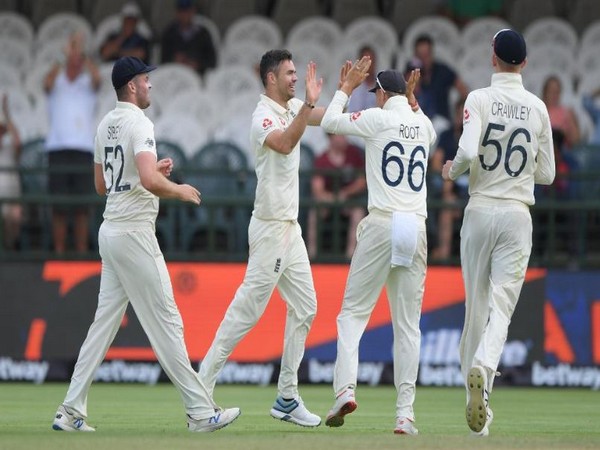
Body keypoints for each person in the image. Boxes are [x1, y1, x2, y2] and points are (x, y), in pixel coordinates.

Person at [51, 56, 240, 433]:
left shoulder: (105, 124)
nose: (150, 85)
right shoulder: (140, 123)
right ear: (132, 86)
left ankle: (70, 411)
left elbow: (102, 186)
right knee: (167, 321)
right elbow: (150, 182)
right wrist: (178, 189)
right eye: (145, 79)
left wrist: (150, 173)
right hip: (135, 233)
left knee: (102, 326)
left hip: (111, 232)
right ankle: (200, 413)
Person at [198, 49, 335, 428]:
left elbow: (330, 119)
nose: (295, 77)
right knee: (247, 311)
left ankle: (287, 397)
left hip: (291, 229)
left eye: (296, 73)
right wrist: (307, 104)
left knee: (306, 306)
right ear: (271, 78)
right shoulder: (263, 115)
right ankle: (200, 387)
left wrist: (350, 92)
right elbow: (287, 143)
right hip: (270, 228)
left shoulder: (294, 107)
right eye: (289, 73)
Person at [441, 29, 555, 436]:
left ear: (494, 59)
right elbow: (547, 173)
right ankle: (484, 369)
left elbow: (468, 152)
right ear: (523, 64)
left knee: (476, 309)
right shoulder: (538, 107)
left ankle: (479, 419)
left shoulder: (478, 98)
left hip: (480, 209)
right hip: (516, 213)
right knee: (502, 307)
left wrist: (451, 170)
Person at [321, 59, 436, 435]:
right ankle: (405, 415)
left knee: (352, 315)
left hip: (382, 221)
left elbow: (331, 122)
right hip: (415, 226)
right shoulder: (423, 124)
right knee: (407, 328)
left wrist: (346, 87)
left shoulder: (377, 116)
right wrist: (413, 101)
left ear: (383, 94)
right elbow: (429, 132)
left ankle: (344, 390)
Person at [44, 31, 100, 254]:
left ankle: (80, 253)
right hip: (58, 149)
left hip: (83, 149)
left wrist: (82, 54)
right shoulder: (56, 82)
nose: (75, 62)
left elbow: (97, 79)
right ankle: (59, 252)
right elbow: (46, 84)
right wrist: (64, 56)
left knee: (81, 208)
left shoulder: (87, 83)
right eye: (72, 58)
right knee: (58, 208)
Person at [307, 133, 366, 260]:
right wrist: (332, 198)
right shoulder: (322, 158)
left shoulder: (354, 154)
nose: (344, 138)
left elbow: (361, 182)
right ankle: (312, 255)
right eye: (340, 135)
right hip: (328, 202)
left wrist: (345, 194)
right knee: (314, 213)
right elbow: (317, 189)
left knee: (358, 213)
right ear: (330, 138)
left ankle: (350, 257)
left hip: (350, 201)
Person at [429, 98, 468, 260]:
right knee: (445, 202)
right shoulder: (447, 135)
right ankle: (442, 253)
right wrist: (449, 178)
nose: (461, 117)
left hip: (469, 185)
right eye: (458, 112)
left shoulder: (477, 137)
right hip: (447, 183)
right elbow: (436, 162)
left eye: (464, 114)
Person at [407, 34, 468, 124]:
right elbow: (406, 94)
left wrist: (458, 109)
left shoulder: (442, 71)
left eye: (426, 56)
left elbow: (463, 90)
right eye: (420, 56)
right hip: (416, 122)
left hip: (441, 123)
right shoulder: (410, 71)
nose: (423, 60)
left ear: (431, 54)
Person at [161, 0, 217, 77]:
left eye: (188, 11)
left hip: (198, 77)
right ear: (177, 13)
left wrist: (197, 64)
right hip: (175, 77)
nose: (185, 15)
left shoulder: (203, 33)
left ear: (193, 11)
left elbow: (212, 61)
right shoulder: (169, 33)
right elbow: (163, 61)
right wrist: (174, 60)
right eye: (182, 11)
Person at [0, 93, 22, 250]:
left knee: (16, 214)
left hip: (10, 202)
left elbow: (17, 142)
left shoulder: (9, 150)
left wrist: (6, 115)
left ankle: (9, 250)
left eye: (1, 132)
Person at [541, 75, 580, 150]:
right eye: (551, 91)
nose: (554, 95)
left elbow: (576, 139)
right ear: (545, 92)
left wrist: (566, 133)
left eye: (556, 92)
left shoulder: (566, 113)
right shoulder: (538, 110)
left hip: (561, 152)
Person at [347, 46, 377, 112]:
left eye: (371, 61)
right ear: (360, 63)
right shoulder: (353, 86)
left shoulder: (380, 85)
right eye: (366, 62)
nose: (369, 65)